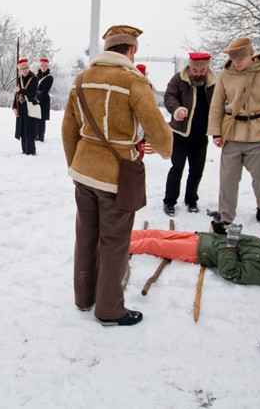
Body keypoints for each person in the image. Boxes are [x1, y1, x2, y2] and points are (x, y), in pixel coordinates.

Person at [62, 24, 173, 327]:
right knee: (114, 242)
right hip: (117, 176)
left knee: (85, 236)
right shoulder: (134, 82)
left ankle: (83, 298)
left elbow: (68, 128)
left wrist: (74, 164)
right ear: (131, 50)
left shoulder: (81, 79)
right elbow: (161, 135)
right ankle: (109, 308)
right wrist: (162, 148)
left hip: (84, 171)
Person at [207, 37, 260, 224]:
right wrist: (216, 132)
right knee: (227, 181)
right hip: (232, 133)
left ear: (251, 55)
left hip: (259, 134)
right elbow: (217, 105)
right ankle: (226, 217)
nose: (237, 62)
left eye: (241, 58)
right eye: (234, 59)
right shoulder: (226, 74)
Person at [130, 219, 260, 286]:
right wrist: (221, 227)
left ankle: (111, 246)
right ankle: (110, 234)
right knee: (151, 233)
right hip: (203, 238)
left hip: (200, 251)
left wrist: (229, 245)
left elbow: (231, 271)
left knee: (150, 243)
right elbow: (234, 239)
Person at [162, 52, 217, 216]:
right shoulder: (179, 79)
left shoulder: (214, 82)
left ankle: (191, 200)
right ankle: (169, 201)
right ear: (190, 66)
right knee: (177, 167)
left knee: (197, 169)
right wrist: (177, 109)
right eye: (195, 70)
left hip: (201, 134)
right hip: (180, 133)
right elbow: (169, 96)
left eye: (202, 71)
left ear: (207, 68)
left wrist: (217, 132)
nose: (198, 73)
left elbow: (219, 106)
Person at [12, 58, 39, 155]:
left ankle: (30, 151)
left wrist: (20, 90)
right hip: (21, 106)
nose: (24, 70)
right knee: (22, 129)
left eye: (26, 68)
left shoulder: (34, 78)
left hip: (30, 107)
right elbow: (16, 94)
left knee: (30, 130)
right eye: (22, 69)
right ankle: (24, 150)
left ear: (28, 67)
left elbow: (31, 93)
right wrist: (14, 107)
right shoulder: (19, 79)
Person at [35, 57, 54, 142]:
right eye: (42, 65)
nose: (43, 67)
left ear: (47, 66)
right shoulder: (35, 76)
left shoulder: (50, 77)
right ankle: (35, 135)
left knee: (42, 119)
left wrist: (39, 99)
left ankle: (41, 137)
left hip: (44, 100)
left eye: (45, 66)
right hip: (35, 99)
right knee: (35, 118)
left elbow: (45, 90)